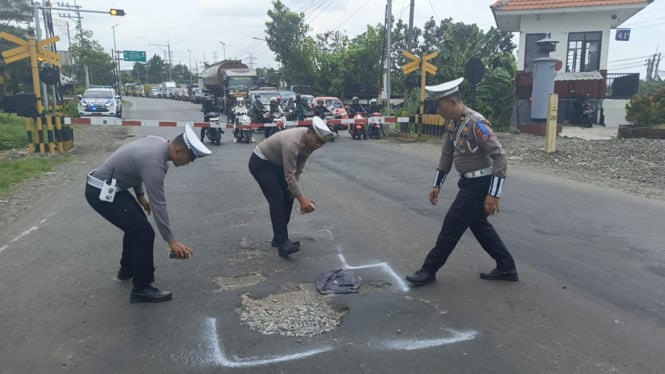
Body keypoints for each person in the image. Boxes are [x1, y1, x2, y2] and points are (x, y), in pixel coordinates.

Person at [405, 77, 518, 287]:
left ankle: (428, 270)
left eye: (440, 104)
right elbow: (446, 155)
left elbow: (500, 157)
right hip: (468, 184)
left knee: (452, 224)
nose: (437, 109)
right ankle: (506, 266)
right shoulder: (453, 124)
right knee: (479, 226)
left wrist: (494, 194)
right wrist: (436, 184)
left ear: (453, 102)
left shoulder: (476, 123)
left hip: (479, 184)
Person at [85, 124, 211, 303]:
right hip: (101, 193)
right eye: (189, 158)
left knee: (137, 225)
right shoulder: (154, 163)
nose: (188, 163)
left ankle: (127, 270)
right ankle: (142, 288)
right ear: (178, 150)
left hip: (111, 189)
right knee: (143, 232)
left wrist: (140, 195)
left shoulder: (157, 143)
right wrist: (171, 241)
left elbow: (135, 168)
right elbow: (159, 204)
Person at [248, 117, 334, 258]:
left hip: (277, 164)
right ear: (309, 133)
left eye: (322, 143)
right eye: (317, 141)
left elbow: (297, 170)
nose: (318, 145)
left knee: (288, 195)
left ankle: (279, 237)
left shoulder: (309, 144)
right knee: (277, 198)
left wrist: (295, 193)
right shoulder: (292, 142)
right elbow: (289, 176)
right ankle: (283, 243)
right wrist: (302, 200)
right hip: (261, 163)